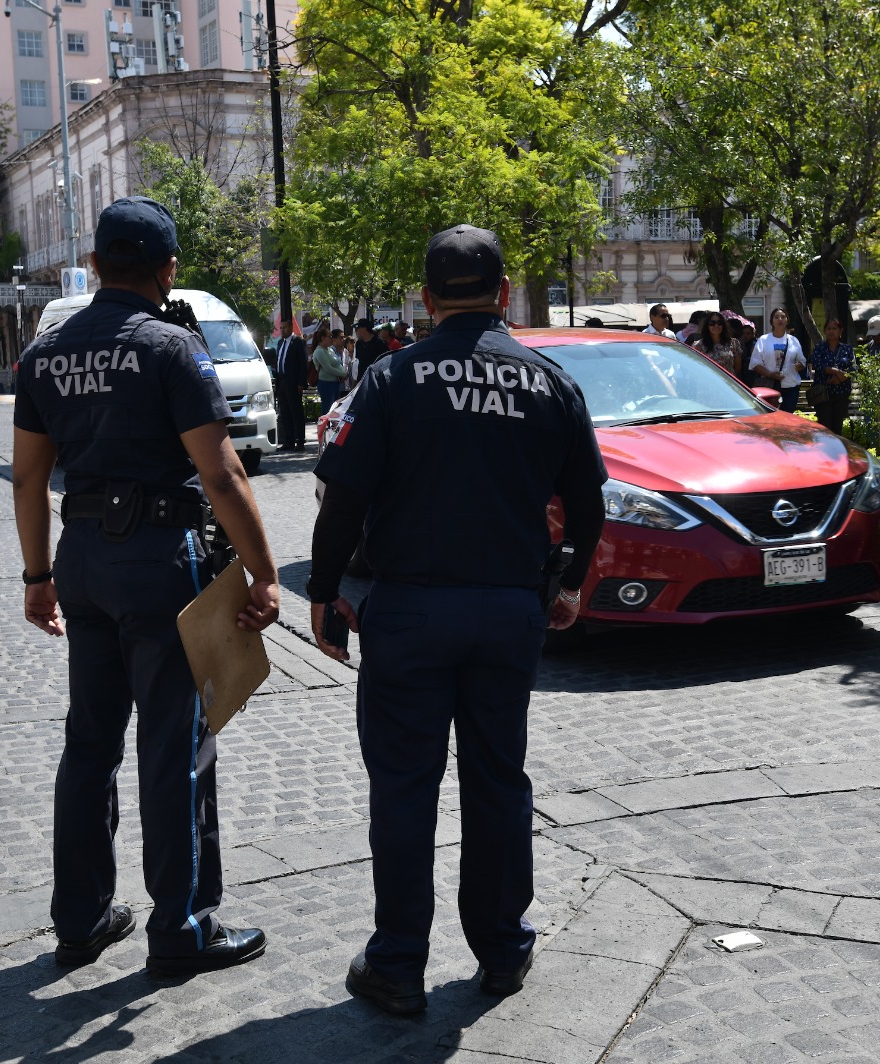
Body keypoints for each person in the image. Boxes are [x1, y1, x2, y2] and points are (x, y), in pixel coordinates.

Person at [307, 224, 606, 1016]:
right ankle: (503, 948)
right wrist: (570, 584)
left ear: (427, 298)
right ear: (504, 293)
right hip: (508, 610)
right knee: (498, 779)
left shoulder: (390, 379)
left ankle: (398, 963)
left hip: (409, 610)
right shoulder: (549, 382)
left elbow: (344, 499)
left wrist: (325, 592)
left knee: (405, 786)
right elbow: (589, 503)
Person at [11, 196, 281, 977]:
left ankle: (81, 920)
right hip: (160, 559)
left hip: (83, 560)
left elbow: (28, 478)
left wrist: (37, 576)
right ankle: (182, 927)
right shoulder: (171, 346)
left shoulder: (44, 355)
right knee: (172, 744)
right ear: (168, 269)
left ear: (95, 264)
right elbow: (221, 473)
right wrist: (264, 574)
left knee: (89, 744)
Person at [750, 308, 808, 411]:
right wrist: (770, 374)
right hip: (769, 386)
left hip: (790, 387)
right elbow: (755, 364)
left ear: (787, 320)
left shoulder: (793, 340)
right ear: (772, 321)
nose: (780, 319)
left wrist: (799, 365)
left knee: (787, 417)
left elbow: (802, 361)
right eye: (776, 317)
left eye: (783, 317)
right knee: (770, 416)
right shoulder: (763, 340)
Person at [809, 318, 855, 434]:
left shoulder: (847, 349)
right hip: (823, 395)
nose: (831, 331)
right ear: (825, 331)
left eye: (834, 328)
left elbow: (853, 369)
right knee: (825, 427)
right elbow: (816, 364)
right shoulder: (819, 348)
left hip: (841, 394)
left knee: (837, 428)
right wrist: (835, 371)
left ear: (840, 331)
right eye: (828, 328)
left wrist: (840, 378)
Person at [274, 317, 308, 451]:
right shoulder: (280, 343)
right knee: (285, 412)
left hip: (294, 383)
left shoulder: (298, 342)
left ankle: (300, 441)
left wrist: (301, 382)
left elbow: (303, 363)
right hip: (282, 382)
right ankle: (289, 441)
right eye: (281, 328)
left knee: (296, 412)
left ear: (291, 327)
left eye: (285, 327)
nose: (282, 330)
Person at [313, 326, 346, 413]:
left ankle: (332, 422)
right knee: (328, 408)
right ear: (322, 338)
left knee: (335, 409)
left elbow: (337, 363)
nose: (331, 338)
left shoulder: (329, 350)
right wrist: (343, 374)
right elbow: (328, 369)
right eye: (329, 336)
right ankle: (325, 422)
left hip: (335, 383)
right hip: (326, 384)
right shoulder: (319, 351)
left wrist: (342, 373)